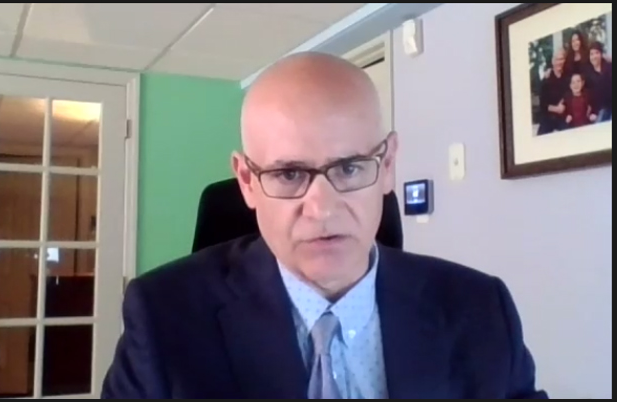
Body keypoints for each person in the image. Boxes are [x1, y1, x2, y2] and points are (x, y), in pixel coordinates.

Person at [101, 52, 547, 399]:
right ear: (247, 182)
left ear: (387, 165)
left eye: (350, 168)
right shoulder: (162, 318)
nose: (322, 209)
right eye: (289, 174)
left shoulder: (481, 310)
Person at [539, 49, 571, 134]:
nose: (559, 62)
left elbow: (569, 95)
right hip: (549, 116)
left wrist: (564, 104)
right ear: (553, 61)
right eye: (557, 59)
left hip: (563, 116)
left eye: (561, 59)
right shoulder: (546, 80)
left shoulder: (567, 77)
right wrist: (556, 109)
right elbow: (542, 105)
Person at [585, 44, 612, 122]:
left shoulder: (609, 67)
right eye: (591, 54)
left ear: (601, 54)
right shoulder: (588, 74)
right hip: (600, 109)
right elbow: (590, 96)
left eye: (597, 53)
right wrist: (593, 112)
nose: (594, 56)